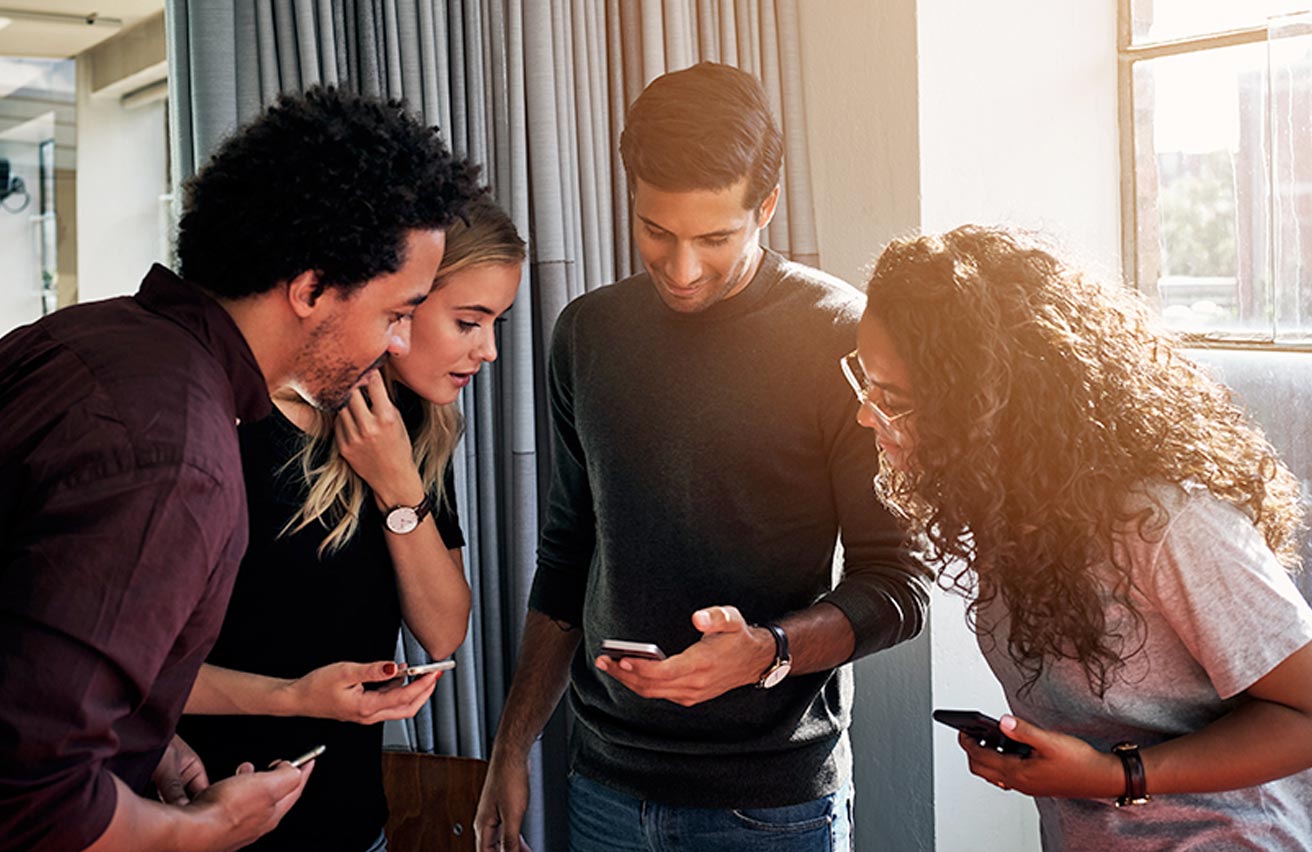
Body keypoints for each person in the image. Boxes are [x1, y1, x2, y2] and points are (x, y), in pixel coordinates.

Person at [0, 86, 479, 852]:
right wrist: (204, 832)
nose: (397, 345)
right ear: (311, 289)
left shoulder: (76, 338)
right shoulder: (179, 456)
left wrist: (144, 737)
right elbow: (35, 796)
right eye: (396, 313)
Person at [475, 62, 929, 852]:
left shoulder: (840, 338)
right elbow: (567, 553)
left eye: (715, 238)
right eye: (657, 231)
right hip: (605, 788)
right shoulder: (587, 335)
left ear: (768, 207)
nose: (681, 270)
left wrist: (769, 652)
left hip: (774, 805)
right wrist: (512, 746)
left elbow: (899, 584)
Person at [850, 224, 1312, 850]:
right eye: (866, 382)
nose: (865, 413)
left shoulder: (1165, 522)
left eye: (893, 397)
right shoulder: (1007, 505)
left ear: (987, 405)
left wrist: (1114, 775)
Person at [178, 197, 525, 852]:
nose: (489, 351)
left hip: (355, 824)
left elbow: (445, 628)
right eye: (469, 322)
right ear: (400, 299)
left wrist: (398, 485)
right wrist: (291, 699)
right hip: (209, 818)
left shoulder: (412, 429)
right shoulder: (235, 425)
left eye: (495, 323)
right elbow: (140, 673)